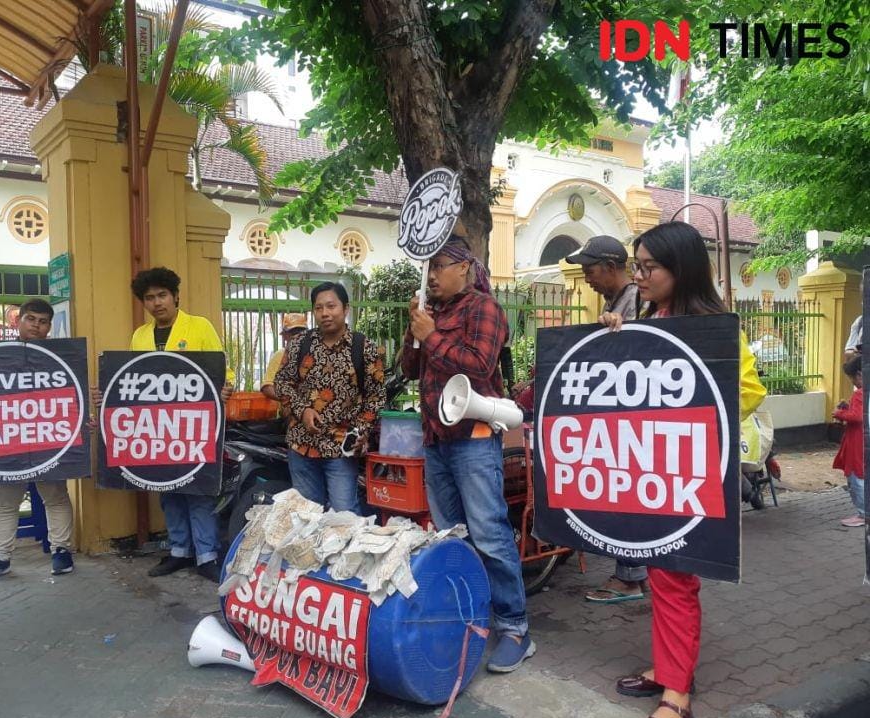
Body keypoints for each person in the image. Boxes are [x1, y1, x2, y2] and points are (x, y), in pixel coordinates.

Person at [601, 221, 766, 718]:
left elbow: (746, 392)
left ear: (683, 268)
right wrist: (611, 341)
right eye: (639, 265)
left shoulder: (714, 326)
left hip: (687, 475)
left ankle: (677, 694)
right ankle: (668, 666)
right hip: (650, 473)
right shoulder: (648, 318)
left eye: (650, 267)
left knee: (675, 578)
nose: (640, 276)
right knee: (658, 569)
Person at [400, 236, 535, 674]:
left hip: (474, 439)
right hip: (437, 440)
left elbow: (477, 366)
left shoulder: (483, 309)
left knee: (491, 534)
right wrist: (414, 333)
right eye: (429, 267)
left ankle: (516, 628)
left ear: (463, 268)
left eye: (439, 266)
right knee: (451, 536)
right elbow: (410, 370)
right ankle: (472, 618)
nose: (432, 274)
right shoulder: (432, 314)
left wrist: (432, 336)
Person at [129, 267, 234, 581]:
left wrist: (225, 386)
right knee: (167, 488)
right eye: (150, 298)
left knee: (197, 488)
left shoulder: (198, 326)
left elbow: (222, 367)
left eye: (162, 295)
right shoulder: (140, 335)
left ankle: (207, 555)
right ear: (144, 303)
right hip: (157, 425)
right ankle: (178, 551)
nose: (157, 302)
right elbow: (134, 377)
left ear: (175, 296)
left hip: (195, 422)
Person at [566, 236, 649, 604]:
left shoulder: (637, 301)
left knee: (628, 497)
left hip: (635, 420)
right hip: (621, 419)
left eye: (590, 270)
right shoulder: (615, 301)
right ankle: (632, 574)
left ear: (611, 267)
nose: (586, 278)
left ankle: (631, 578)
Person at [0, 299, 76, 583]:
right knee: (5, 500)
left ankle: (61, 551)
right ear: (18, 320)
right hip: (9, 438)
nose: (36, 325)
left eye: (43, 322)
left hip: (48, 437)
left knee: (55, 496)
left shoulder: (63, 357)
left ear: (49, 326)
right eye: (31, 319)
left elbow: (74, 393)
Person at [274, 282, 385, 513]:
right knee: (306, 517)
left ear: (345, 309)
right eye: (318, 308)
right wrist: (302, 410)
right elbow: (282, 382)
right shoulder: (299, 345)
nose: (325, 313)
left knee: (345, 516)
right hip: (302, 445)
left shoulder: (363, 347)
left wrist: (360, 430)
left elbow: (375, 396)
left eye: (331, 306)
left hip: (341, 448)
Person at [833, 357, 864, 527]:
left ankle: (863, 513)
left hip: (856, 440)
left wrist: (839, 413)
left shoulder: (860, 392)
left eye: (851, 378)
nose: (852, 382)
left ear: (859, 375)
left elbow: (857, 417)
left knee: (856, 476)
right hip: (863, 439)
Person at [260, 313, 308, 415]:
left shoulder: (313, 354)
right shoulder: (280, 355)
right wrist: (293, 400)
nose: (297, 336)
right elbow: (267, 388)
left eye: (301, 332)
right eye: (293, 332)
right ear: (285, 336)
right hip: (291, 416)